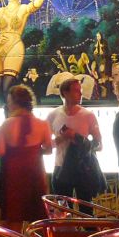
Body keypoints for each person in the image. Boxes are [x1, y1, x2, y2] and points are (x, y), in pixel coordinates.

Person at [0, 85, 52, 237]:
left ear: (12, 102)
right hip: (35, 173)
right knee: (39, 220)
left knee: (14, 220)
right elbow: (49, 149)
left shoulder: (4, 126)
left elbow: (0, 151)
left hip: (13, 174)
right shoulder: (42, 124)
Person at [0, 0, 44, 97]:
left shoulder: (23, 8)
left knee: (7, 84)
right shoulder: (1, 11)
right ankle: (7, 113)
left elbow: (38, 2)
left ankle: (11, 112)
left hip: (15, 46)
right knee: (2, 88)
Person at [48, 78, 102, 208]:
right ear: (65, 93)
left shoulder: (88, 115)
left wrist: (78, 138)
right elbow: (46, 145)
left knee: (86, 210)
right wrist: (61, 138)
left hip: (83, 168)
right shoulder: (53, 115)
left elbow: (98, 144)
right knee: (64, 210)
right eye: (77, 91)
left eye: (80, 91)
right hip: (61, 167)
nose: (81, 94)